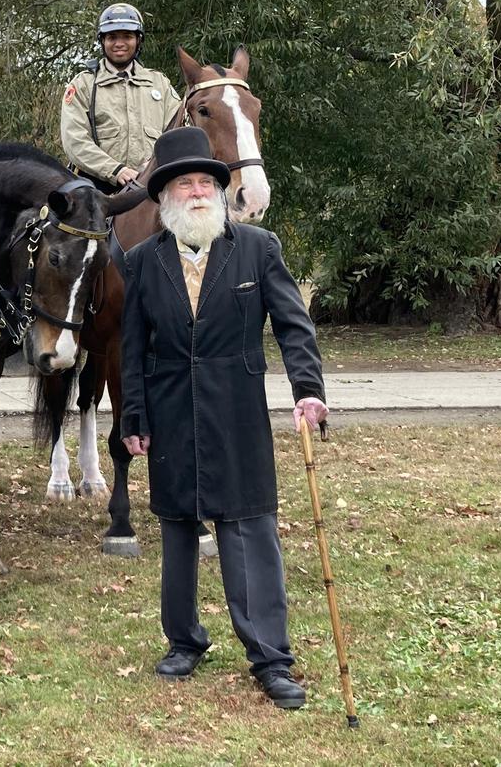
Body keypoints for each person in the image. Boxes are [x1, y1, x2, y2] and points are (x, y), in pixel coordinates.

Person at [119, 126, 329, 708]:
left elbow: (292, 324)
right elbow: (131, 348)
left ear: (221, 189)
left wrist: (308, 389)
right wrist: (132, 414)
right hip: (166, 410)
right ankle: (183, 639)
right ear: (164, 197)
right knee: (178, 525)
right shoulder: (141, 262)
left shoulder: (258, 249)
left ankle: (271, 656)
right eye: (183, 182)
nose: (196, 191)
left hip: (236, 409)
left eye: (206, 181)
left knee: (248, 527)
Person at [59, 3, 182, 191]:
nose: (119, 43)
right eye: (112, 37)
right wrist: (116, 171)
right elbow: (74, 140)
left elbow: (178, 131)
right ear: (102, 41)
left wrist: (153, 167)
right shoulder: (83, 84)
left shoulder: (159, 83)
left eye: (127, 36)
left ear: (138, 40)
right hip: (96, 188)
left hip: (151, 187)